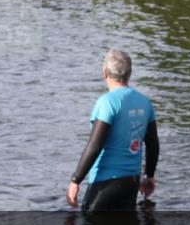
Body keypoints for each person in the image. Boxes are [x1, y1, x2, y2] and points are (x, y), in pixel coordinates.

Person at [66, 49, 159, 213]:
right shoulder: (145, 103)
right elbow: (153, 144)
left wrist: (76, 180)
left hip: (105, 183)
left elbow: (95, 145)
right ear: (129, 73)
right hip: (132, 183)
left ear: (105, 73)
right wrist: (149, 176)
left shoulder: (107, 103)